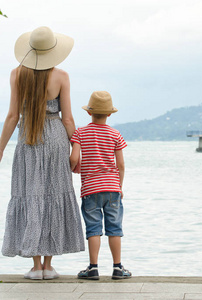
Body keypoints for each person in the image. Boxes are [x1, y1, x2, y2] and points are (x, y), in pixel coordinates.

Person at [0, 26, 84, 280]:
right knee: (53, 195)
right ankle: (49, 266)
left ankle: (35, 266)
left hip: (28, 139)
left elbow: (12, 116)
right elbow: (68, 119)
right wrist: (77, 148)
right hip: (55, 140)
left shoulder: (16, 74)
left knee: (31, 197)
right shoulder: (62, 76)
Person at [70, 91, 131, 280]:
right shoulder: (115, 134)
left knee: (93, 229)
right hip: (112, 189)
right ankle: (118, 268)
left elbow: (74, 157)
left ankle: (93, 268)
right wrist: (119, 187)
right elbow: (120, 164)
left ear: (89, 112)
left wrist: (74, 168)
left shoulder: (80, 132)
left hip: (90, 190)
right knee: (114, 229)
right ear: (110, 114)